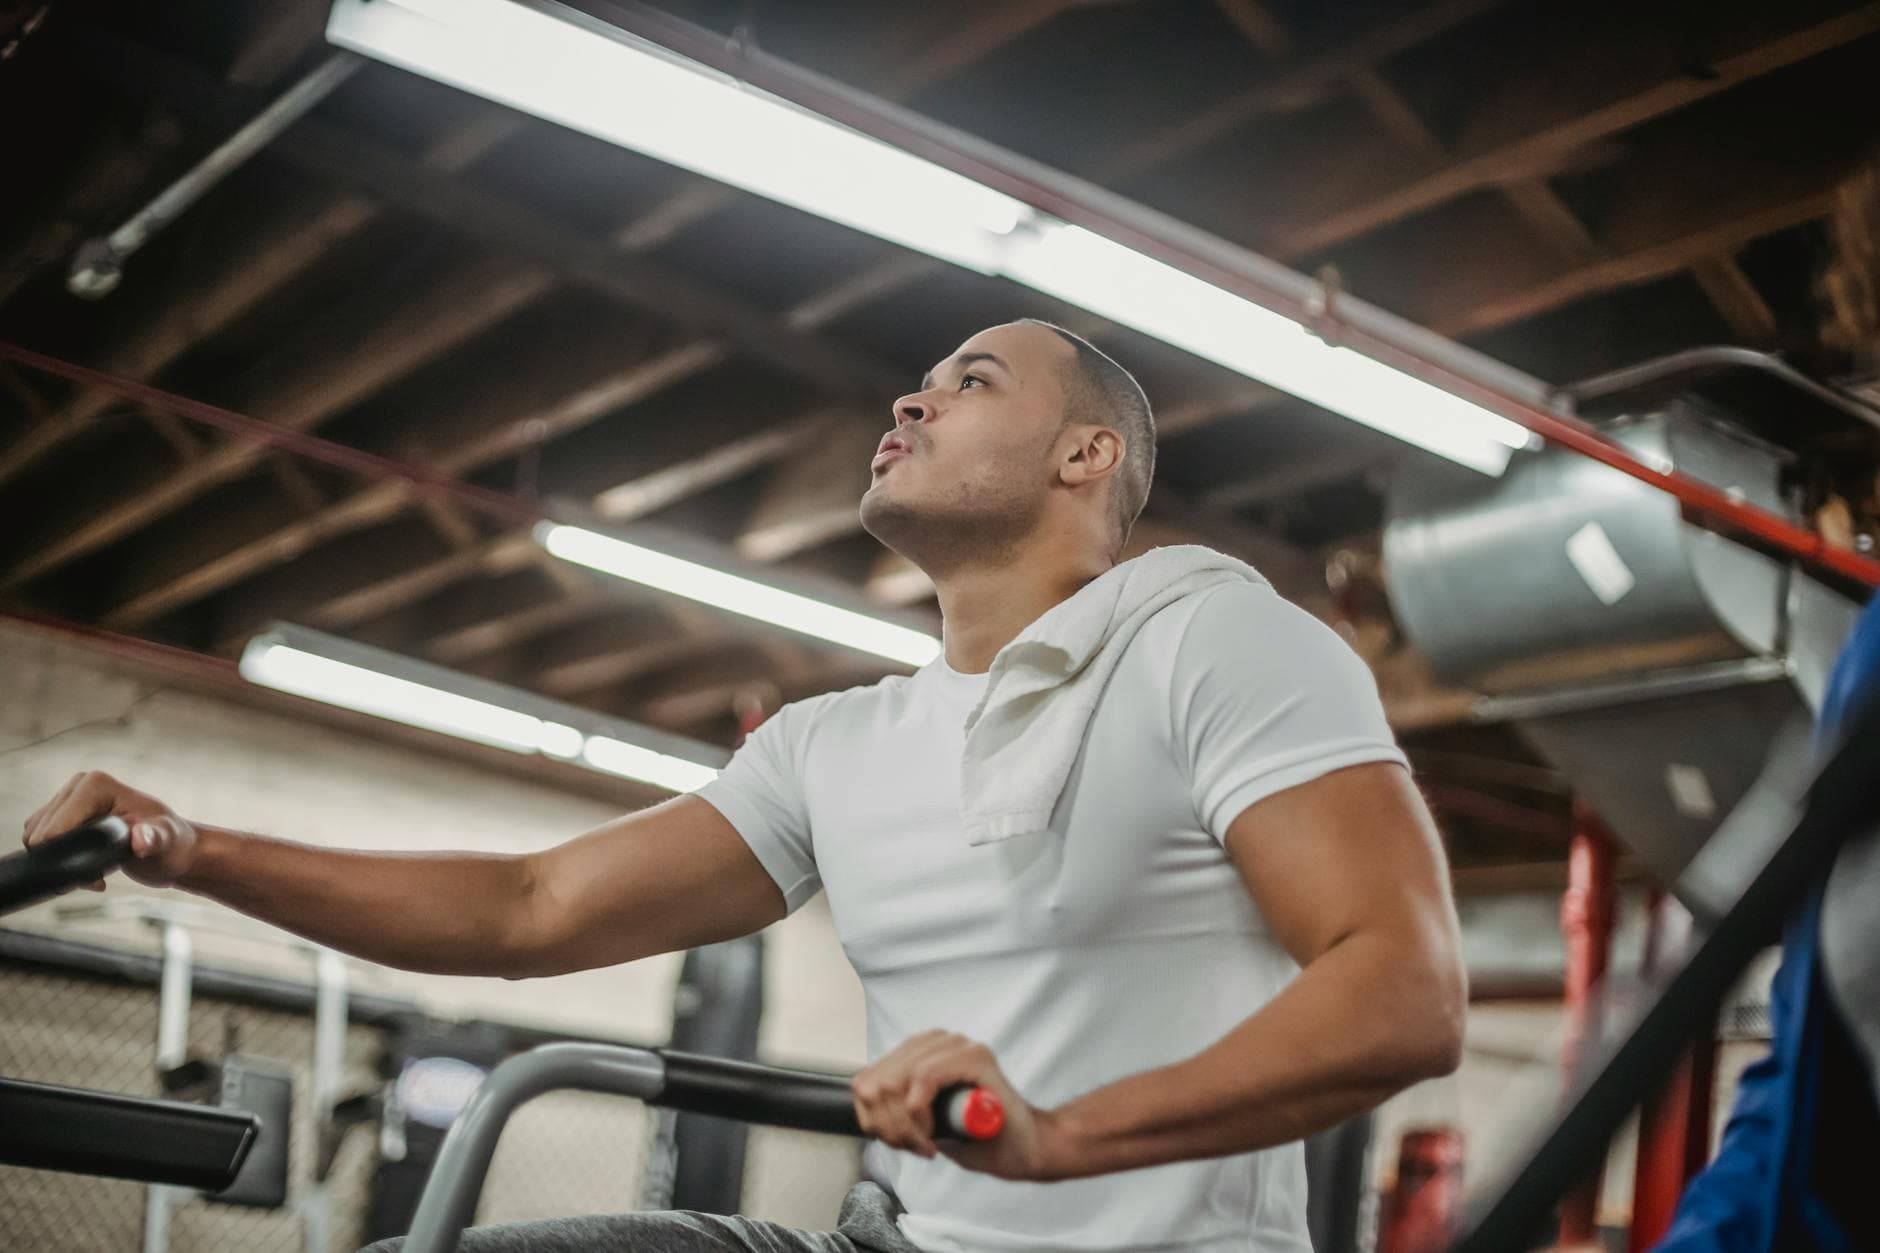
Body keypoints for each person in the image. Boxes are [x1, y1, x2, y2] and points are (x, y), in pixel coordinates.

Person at [22, 320, 1466, 1253]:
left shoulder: (1212, 638)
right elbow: (531, 906)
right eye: (923, 376)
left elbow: (1403, 987)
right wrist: (190, 847)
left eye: (973, 380)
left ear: (1087, 455)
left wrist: (1061, 1135)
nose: (912, 392)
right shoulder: (837, 743)